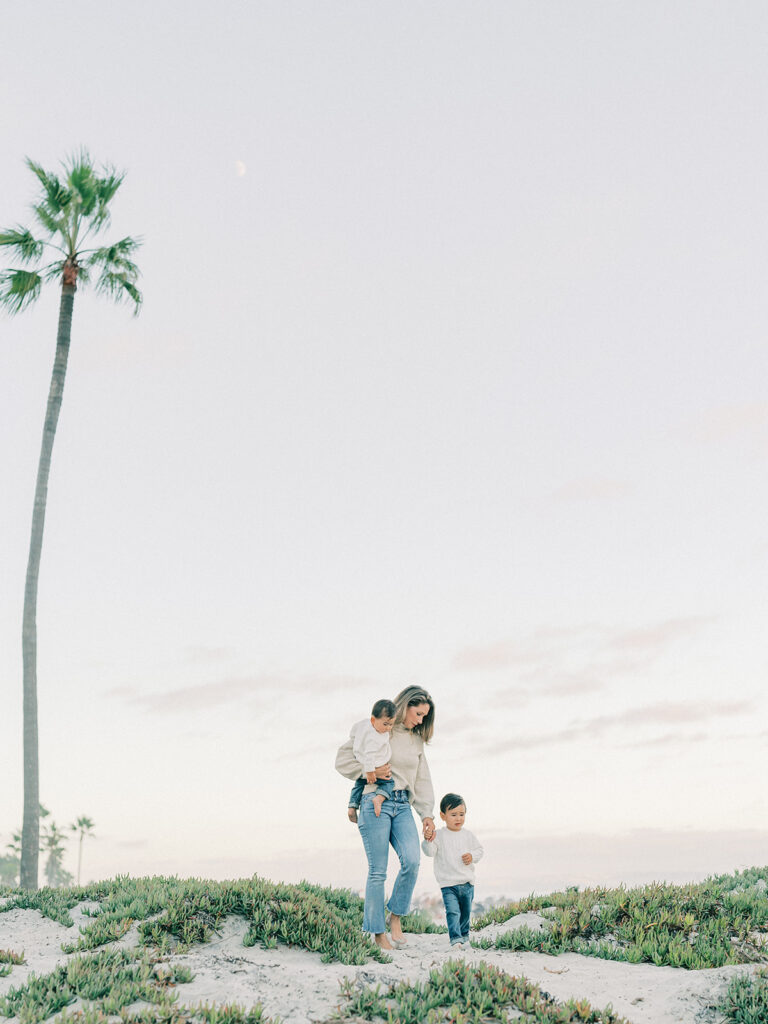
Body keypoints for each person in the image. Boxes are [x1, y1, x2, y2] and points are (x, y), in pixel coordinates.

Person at [336, 685, 436, 950]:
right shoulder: (378, 728)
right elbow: (341, 760)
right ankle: (377, 933)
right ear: (404, 706)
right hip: (374, 802)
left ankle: (396, 918)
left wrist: (427, 815)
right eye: (418, 713)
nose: (421, 720)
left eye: (425, 716)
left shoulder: (415, 740)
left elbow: (422, 778)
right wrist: (371, 771)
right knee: (378, 871)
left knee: (412, 861)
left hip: (403, 804)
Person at [422, 792, 484, 947]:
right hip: (448, 884)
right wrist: (428, 840)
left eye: (462, 814)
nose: (458, 818)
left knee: (465, 913)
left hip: (467, 883)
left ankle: (465, 936)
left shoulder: (468, 835)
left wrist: (472, 855)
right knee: (452, 912)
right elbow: (429, 852)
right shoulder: (439, 835)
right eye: (454, 814)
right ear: (443, 816)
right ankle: (455, 938)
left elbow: (479, 850)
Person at [347, 699, 397, 822]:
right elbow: (369, 755)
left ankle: (352, 806)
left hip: (361, 761)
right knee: (389, 783)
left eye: (391, 724)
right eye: (385, 724)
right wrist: (370, 772)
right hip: (373, 767)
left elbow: (354, 730)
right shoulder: (374, 738)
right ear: (373, 720)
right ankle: (379, 798)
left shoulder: (364, 725)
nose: (388, 728)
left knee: (359, 784)